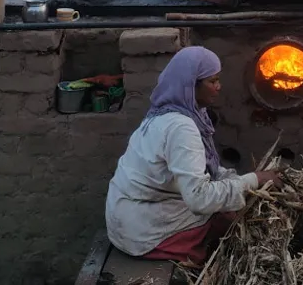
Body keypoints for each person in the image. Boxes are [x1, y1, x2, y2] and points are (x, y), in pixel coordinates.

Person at [105, 45, 282, 266]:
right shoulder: (181, 127)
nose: (219, 87)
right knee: (231, 221)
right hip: (142, 232)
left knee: (230, 206)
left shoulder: (164, 115)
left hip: (125, 219)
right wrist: (255, 180)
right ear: (191, 86)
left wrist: (238, 181)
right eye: (212, 81)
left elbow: (204, 173)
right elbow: (199, 198)